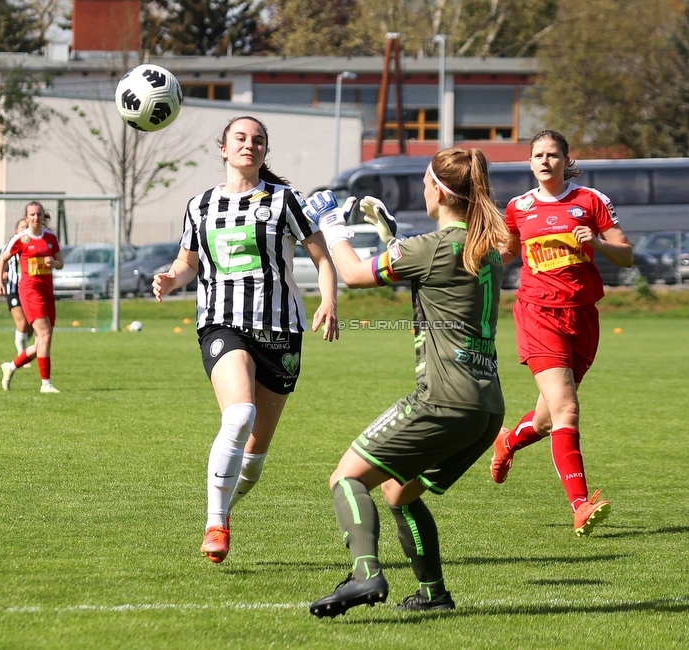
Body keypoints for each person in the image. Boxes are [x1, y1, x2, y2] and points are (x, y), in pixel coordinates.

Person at [306, 147, 508, 617]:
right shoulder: (486, 249)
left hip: (442, 399)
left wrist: (332, 222)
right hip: (485, 408)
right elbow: (435, 275)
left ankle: (365, 575)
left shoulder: (432, 247)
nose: (422, 188)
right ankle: (434, 595)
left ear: (439, 189)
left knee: (346, 477)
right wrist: (392, 238)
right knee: (399, 491)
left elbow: (354, 274)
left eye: (424, 181)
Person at [152, 116, 339, 564]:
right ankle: (215, 522)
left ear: (264, 151)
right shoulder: (200, 205)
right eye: (240, 138)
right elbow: (187, 262)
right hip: (221, 324)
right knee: (239, 415)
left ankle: (224, 510)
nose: (248, 146)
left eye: (257, 141)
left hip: (280, 331)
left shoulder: (285, 201)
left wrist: (329, 301)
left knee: (254, 457)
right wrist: (170, 279)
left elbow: (322, 257)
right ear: (223, 148)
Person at [489, 129, 633, 537]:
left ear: (566, 160)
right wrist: (468, 253)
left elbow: (627, 255)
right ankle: (580, 505)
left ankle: (508, 442)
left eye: (553, 154)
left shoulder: (592, 201)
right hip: (538, 315)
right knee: (567, 409)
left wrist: (599, 244)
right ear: (530, 162)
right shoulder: (519, 207)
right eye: (538, 155)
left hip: (583, 317)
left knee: (547, 417)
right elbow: (505, 252)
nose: (545, 161)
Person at [0, 201, 63, 393]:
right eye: (32, 215)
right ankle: (46, 384)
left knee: (42, 341)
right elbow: (3, 258)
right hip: (29, 291)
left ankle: (11, 366)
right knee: (45, 335)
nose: (36, 218)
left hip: (47, 291)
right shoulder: (21, 239)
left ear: (43, 216)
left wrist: (54, 262)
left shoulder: (51, 237)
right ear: (27, 217)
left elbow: (61, 263)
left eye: (39, 214)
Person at [2, 217, 34, 359]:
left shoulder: (33, 246)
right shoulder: (10, 246)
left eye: (27, 226)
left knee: (31, 325)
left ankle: (21, 342)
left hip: (30, 290)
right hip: (14, 289)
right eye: (22, 226)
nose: (25, 229)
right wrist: (1, 277)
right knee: (22, 323)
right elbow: (1, 263)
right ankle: (22, 356)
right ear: (16, 230)